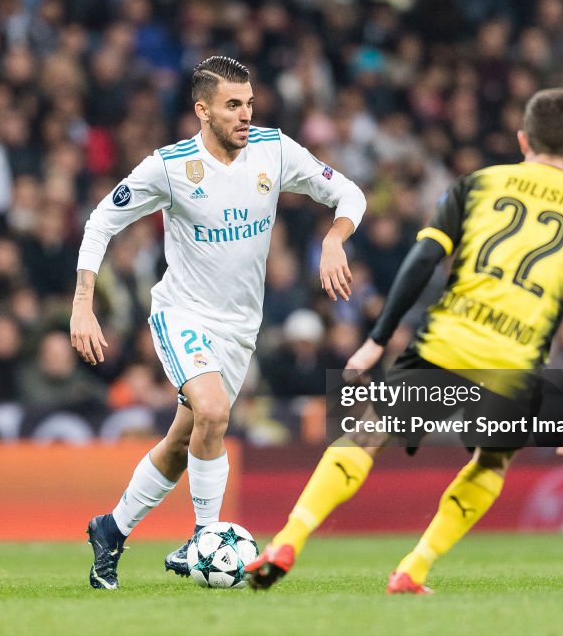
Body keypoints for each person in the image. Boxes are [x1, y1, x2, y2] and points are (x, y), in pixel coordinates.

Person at [246, 88, 563, 593]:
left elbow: (423, 259)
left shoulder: (478, 184)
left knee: (368, 431)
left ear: (522, 138)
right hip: (513, 363)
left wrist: (378, 339)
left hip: (447, 342)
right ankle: (414, 567)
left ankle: (288, 539)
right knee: (491, 459)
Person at [71, 56, 366, 590]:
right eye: (233, 105)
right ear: (202, 110)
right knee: (212, 410)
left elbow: (350, 194)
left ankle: (110, 531)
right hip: (182, 313)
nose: (245, 115)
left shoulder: (274, 151)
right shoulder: (170, 167)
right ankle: (207, 538)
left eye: (250, 103)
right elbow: (101, 222)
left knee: (185, 441)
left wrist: (333, 239)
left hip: (239, 330)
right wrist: (82, 303)